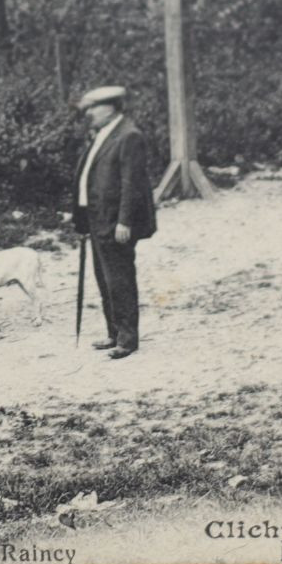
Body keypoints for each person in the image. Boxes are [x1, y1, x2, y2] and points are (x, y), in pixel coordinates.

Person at [71, 85, 156, 359]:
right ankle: (114, 332)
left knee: (119, 279)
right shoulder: (103, 134)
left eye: (94, 108)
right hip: (96, 219)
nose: (90, 114)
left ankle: (128, 339)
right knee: (104, 278)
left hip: (114, 222)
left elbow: (133, 185)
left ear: (110, 108)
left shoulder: (129, 136)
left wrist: (125, 221)